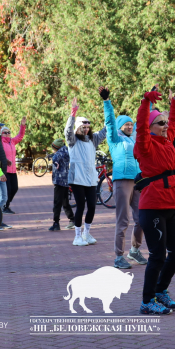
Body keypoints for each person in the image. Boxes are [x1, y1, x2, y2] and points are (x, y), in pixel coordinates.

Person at [135, 87, 175, 315]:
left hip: (171, 206)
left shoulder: (167, 140)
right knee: (157, 256)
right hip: (153, 208)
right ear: (151, 128)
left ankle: (161, 290)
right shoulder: (145, 144)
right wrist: (145, 103)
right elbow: (140, 127)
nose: (165, 125)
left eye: (164, 122)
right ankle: (146, 300)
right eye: (160, 123)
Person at [99, 86, 148, 269]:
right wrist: (107, 102)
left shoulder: (133, 138)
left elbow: (142, 123)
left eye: (130, 124)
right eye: (126, 124)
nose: (129, 126)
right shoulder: (115, 139)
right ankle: (119, 256)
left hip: (137, 181)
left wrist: (147, 101)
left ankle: (134, 250)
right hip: (122, 181)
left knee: (142, 218)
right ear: (120, 126)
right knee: (123, 220)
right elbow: (110, 122)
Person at [64, 97, 107, 246]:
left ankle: (86, 233)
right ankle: (77, 236)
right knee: (81, 206)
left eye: (88, 126)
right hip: (77, 179)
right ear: (78, 127)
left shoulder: (92, 140)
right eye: (83, 127)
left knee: (93, 207)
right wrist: (73, 113)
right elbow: (67, 131)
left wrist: (110, 114)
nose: (86, 129)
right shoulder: (73, 140)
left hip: (90, 179)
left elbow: (105, 130)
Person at [0, 117, 27, 215]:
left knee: (14, 188)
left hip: (13, 170)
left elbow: (20, 136)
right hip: (4, 170)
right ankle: (4, 206)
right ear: (1, 133)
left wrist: (22, 126)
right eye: (5, 132)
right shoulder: (0, 142)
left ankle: (6, 205)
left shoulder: (12, 141)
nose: (7, 134)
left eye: (8, 132)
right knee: (7, 189)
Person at [50, 139, 75, 231]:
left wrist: (55, 162)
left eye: (53, 148)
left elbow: (55, 159)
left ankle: (56, 223)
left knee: (57, 202)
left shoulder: (58, 154)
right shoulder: (66, 151)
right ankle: (72, 219)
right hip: (65, 180)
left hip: (59, 181)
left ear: (56, 147)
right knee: (65, 201)